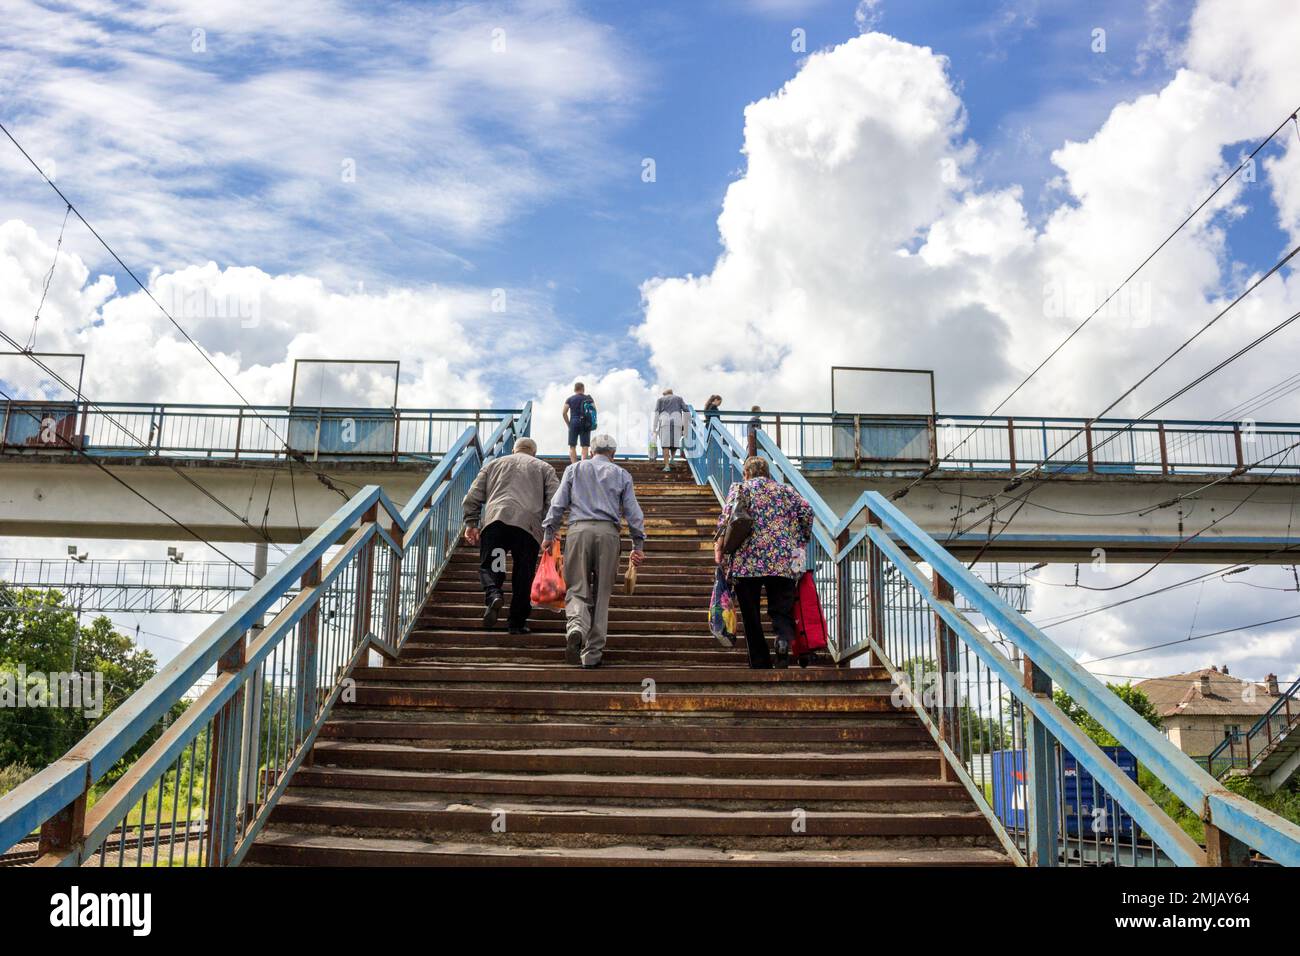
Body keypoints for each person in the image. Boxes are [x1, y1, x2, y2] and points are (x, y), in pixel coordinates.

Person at [542, 433, 646, 668]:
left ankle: (577, 626)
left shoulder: (574, 469)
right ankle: (592, 654)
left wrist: (549, 534)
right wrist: (637, 545)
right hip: (609, 534)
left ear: (590, 450)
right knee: (602, 595)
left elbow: (557, 504)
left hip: (578, 530)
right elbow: (633, 513)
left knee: (577, 588)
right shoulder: (621, 474)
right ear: (613, 454)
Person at [714, 456, 812, 669]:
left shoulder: (740, 488)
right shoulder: (785, 491)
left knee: (751, 614)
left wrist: (719, 545)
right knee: (781, 608)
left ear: (746, 473)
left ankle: (760, 662)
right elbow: (806, 510)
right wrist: (800, 537)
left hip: (747, 561)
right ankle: (783, 641)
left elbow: (727, 515)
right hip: (782, 561)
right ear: (768, 474)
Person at [462, 437, 559, 633]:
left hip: (496, 523)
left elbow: (473, 495)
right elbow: (555, 501)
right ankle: (516, 622)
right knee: (523, 574)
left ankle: (494, 594)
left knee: (493, 564)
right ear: (534, 452)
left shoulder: (493, 464)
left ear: (514, 450)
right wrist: (551, 530)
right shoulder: (544, 468)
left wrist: (471, 522)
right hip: (527, 529)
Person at [652, 388, 689, 472]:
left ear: (665, 394)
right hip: (677, 422)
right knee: (674, 442)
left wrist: (654, 428)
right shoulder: (679, 398)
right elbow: (686, 409)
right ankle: (672, 459)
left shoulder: (660, 400)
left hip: (664, 422)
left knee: (665, 445)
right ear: (672, 393)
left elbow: (657, 414)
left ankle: (667, 466)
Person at [562, 382, 596, 464]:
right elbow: (594, 410)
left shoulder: (570, 399)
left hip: (573, 422)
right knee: (585, 446)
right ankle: (583, 465)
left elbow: (564, 412)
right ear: (583, 389)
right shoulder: (588, 399)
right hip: (585, 423)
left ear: (574, 389)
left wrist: (569, 424)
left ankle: (574, 465)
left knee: (572, 446)